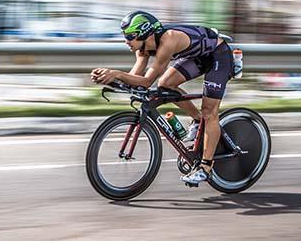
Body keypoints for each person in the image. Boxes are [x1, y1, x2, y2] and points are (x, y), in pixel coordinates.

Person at [90, 10, 234, 186]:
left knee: (209, 111)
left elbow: (146, 81)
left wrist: (116, 74)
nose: (126, 40)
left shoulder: (168, 40)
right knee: (165, 85)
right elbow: (135, 79)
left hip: (218, 54)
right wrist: (110, 79)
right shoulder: (141, 48)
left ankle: (205, 167)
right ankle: (197, 121)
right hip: (197, 56)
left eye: (130, 36)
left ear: (143, 33)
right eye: (124, 36)